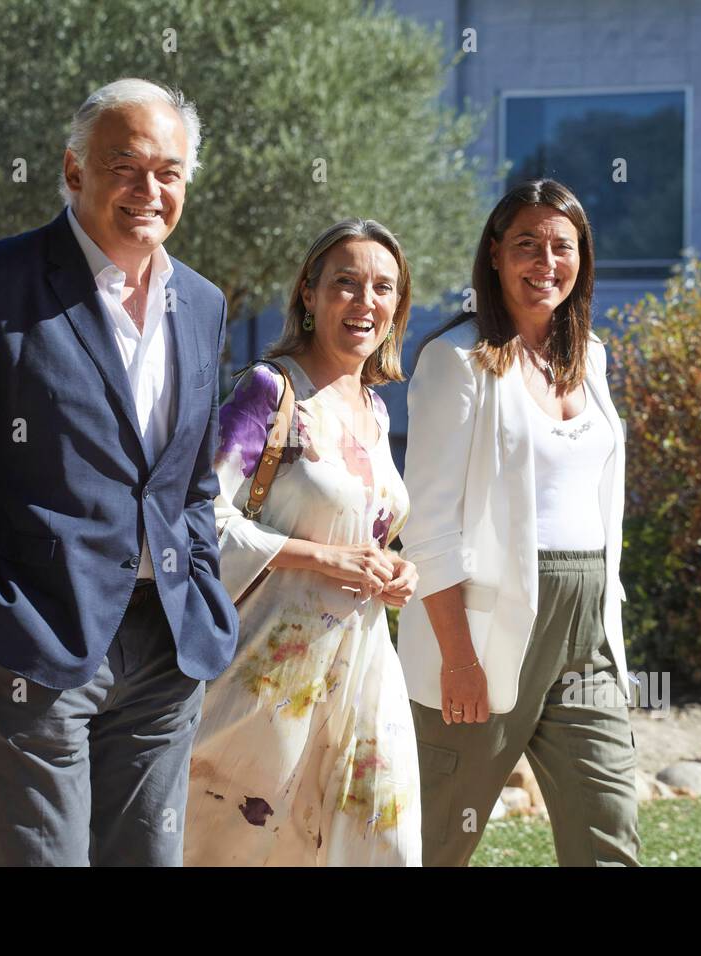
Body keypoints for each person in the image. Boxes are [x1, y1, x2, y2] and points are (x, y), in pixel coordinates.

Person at [0, 78, 236, 867]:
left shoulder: (203, 305)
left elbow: (191, 484)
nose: (150, 190)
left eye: (169, 171)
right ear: (74, 173)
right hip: (31, 647)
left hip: (167, 648)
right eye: (125, 166)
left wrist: (199, 581)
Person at [398, 179, 640, 866]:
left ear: (582, 259)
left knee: (608, 826)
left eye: (562, 246)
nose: (546, 261)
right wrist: (459, 660)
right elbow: (431, 525)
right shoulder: (458, 361)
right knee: (436, 839)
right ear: (496, 256)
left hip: (587, 625)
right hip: (483, 628)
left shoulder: (589, 357)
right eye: (527, 244)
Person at [184, 218, 421, 866]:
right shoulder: (271, 390)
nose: (365, 301)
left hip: (364, 671)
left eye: (382, 288)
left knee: (385, 845)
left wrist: (397, 570)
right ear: (310, 294)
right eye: (346, 284)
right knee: (243, 847)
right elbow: (198, 516)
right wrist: (322, 558)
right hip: (268, 676)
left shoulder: (375, 408)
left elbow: (362, 529)